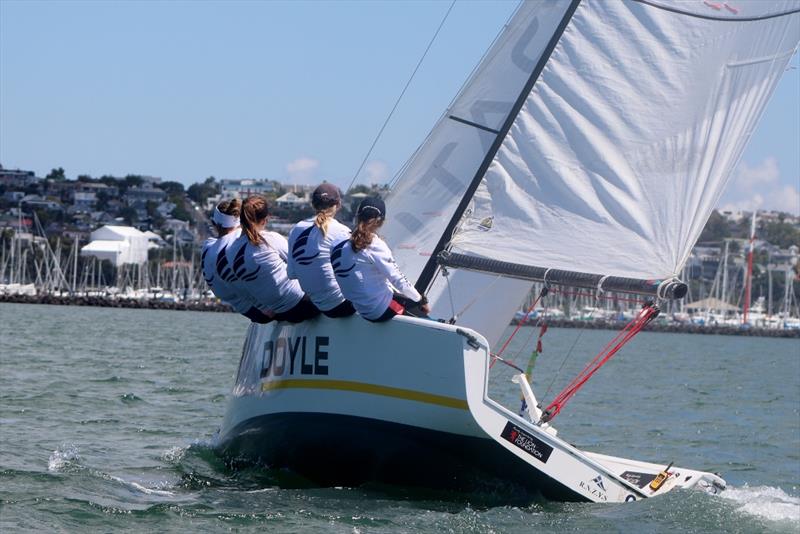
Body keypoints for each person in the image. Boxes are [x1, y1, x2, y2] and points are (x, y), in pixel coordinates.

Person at [331, 196, 430, 322]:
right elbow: (398, 280)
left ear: (357, 216)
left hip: (361, 309)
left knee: (404, 298)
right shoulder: (374, 244)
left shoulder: (338, 244)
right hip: (379, 311)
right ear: (381, 221)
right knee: (423, 314)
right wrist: (421, 300)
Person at [226, 195, 320, 323]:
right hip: (303, 306)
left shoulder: (230, 251)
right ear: (265, 220)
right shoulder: (270, 239)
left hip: (278, 313)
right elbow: (300, 264)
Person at [287, 183, 355, 318]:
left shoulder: (296, 229)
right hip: (342, 305)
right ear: (339, 204)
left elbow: (292, 274)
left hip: (317, 304)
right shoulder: (341, 231)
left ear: (313, 205)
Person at [201, 199, 272, 323]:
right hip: (265, 309)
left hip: (248, 311)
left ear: (214, 224)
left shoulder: (207, 248)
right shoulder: (237, 241)